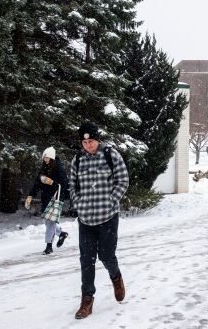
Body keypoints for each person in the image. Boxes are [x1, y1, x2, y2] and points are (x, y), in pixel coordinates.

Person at [69, 122, 130, 319]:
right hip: (86, 220)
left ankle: (116, 277)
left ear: (98, 139)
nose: (88, 145)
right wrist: (78, 203)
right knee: (86, 260)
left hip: (108, 218)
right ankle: (87, 300)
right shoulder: (77, 160)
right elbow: (72, 186)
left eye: (91, 141)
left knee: (106, 256)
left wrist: (111, 200)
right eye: (85, 142)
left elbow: (123, 180)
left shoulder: (110, 155)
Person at [26, 146, 70, 255]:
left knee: (50, 222)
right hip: (46, 197)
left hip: (56, 198)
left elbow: (64, 185)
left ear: (51, 157)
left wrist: (52, 183)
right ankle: (61, 234)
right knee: (48, 221)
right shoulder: (44, 168)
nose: (45, 160)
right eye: (44, 158)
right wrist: (30, 196)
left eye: (47, 158)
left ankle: (48, 246)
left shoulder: (59, 168)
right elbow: (37, 183)